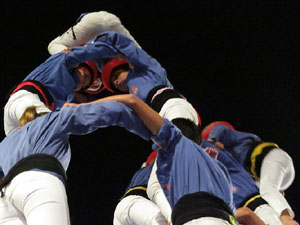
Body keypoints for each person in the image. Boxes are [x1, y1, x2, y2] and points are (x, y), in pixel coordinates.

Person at [79, 93, 270, 225]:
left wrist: (86, 106)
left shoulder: (176, 146)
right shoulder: (221, 175)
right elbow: (244, 214)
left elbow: (131, 100)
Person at [0, 94, 154, 225]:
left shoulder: (5, 142)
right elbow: (106, 112)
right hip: (38, 181)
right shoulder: (51, 120)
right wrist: (153, 133)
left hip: (4, 197)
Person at [3, 37, 123, 136]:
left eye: (85, 85)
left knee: (20, 155)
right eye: (85, 76)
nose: (82, 82)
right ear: (79, 66)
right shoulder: (63, 59)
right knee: (51, 133)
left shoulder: (69, 94)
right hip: (25, 101)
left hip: (17, 114)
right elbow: (91, 51)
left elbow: (91, 107)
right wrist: (126, 54)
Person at [95, 31, 201, 126]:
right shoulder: (132, 101)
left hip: (176, 110)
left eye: (116, 75)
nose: (116, 82)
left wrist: (96, 42)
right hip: (164, 123)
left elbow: (129, 49)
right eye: (113, 83)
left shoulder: (147, 71)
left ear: (126, 68)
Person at [201, 121, 298, 225]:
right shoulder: (235, 167)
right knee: (267, 190)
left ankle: (287, 219)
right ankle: (283, 214)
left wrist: (212, 139)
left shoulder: (236, 141)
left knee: (268, 189)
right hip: (279, 173)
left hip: (272, 157)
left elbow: (219, 128)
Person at [48, 11, 141, 55]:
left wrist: (66, 55)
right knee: (141, 56)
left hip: (99, 21)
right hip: (110, 19)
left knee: (55, 44)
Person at [113, 152, 167, 225]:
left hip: (124, 210)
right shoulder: (153, 168)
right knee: (162, 221)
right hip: (135, 203)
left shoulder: (140, 172)